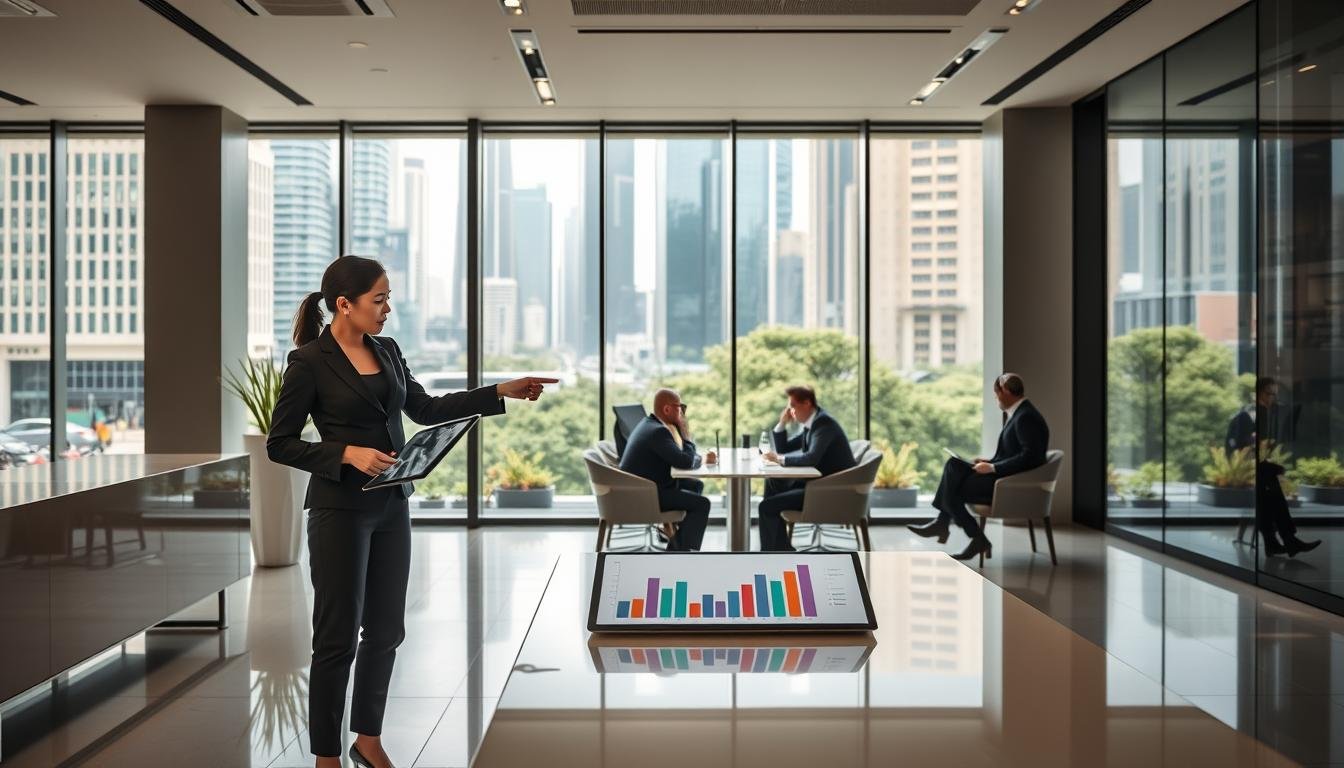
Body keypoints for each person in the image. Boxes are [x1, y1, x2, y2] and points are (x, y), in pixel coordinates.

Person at [266, 256, 557, 768]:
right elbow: (280, 444)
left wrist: (499, 391)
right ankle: (325, 757)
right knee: (335, 637)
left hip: (391, 505)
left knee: (386, 629)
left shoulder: (388, 351)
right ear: (344, 305)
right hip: (339, 510)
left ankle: (368, 739)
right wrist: (344, 453)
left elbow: (425, 409)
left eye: (388, 298)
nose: (387, 309)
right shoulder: (309, 362)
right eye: (378, 300)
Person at [908, 373, 1049, 561]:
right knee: (954, 465)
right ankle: (946, 526)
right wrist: (989, 462)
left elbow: (1030, 457)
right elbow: (1015, 454)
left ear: (1005, 391)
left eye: (996, 393)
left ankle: (962, 532)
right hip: (1002, 478)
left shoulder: (1025, 417)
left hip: (1006, 486)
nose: (996, 398)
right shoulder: (1021, 413)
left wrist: (993, 468)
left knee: (952, 491)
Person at [1226, 377, 1320, 557]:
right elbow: (1242, 447)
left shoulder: (1266, 413)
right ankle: (1285, 540)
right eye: (1270, 394)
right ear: (1259, 393)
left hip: (1257, 467)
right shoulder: (1251, 414)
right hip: (1244, 469)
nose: (1273, 398)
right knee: (1272, 492)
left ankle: (1275, 542)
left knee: (1270, 495)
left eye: (1275, 395)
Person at [758, 385, 856, 552]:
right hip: (818, 484)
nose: (791, 411)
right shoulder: (813, 424)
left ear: (807, 403)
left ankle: (773, 552)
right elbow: (784, 447)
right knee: (773, 483)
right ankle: (779, 548)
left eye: (793, 406)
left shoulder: (823, 424)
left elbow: (811, 457)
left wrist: (779, 459)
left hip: (830, 491)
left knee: (766, 507)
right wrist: (782, 422)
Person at [618, 388, 711, 551]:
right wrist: (684, 433)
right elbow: (685, 461)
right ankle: (685, 553)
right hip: (645, 495)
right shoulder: (658, 432)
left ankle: (677, 545)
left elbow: (682, 458)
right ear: (667, 409)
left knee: (696, 485)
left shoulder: (648, 424)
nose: (682, 413)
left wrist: (692, 456)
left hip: (645, 488)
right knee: (702, 504)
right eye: (680, 407)